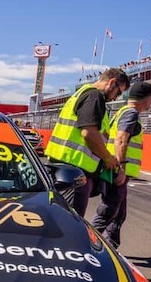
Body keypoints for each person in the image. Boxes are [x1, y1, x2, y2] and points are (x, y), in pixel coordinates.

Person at [44, 67, 130, 217]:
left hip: (64, 168)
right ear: (112, 82)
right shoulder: (94, 97)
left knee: (58, 220)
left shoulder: (83, 93)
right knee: (70, 224)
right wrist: (107, 158)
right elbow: (88, 133)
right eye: (119, 92)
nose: (116, 98)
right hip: (74, 175)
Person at [91, 81, 151, 249]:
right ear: (146, 98)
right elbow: (121, 139)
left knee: (119, 213)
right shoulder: (131, 114)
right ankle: (88, 241)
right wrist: (121, 168)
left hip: (111, 167)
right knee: (109, 210)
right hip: (115, 170)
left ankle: (110, 244)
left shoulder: (121, 111)